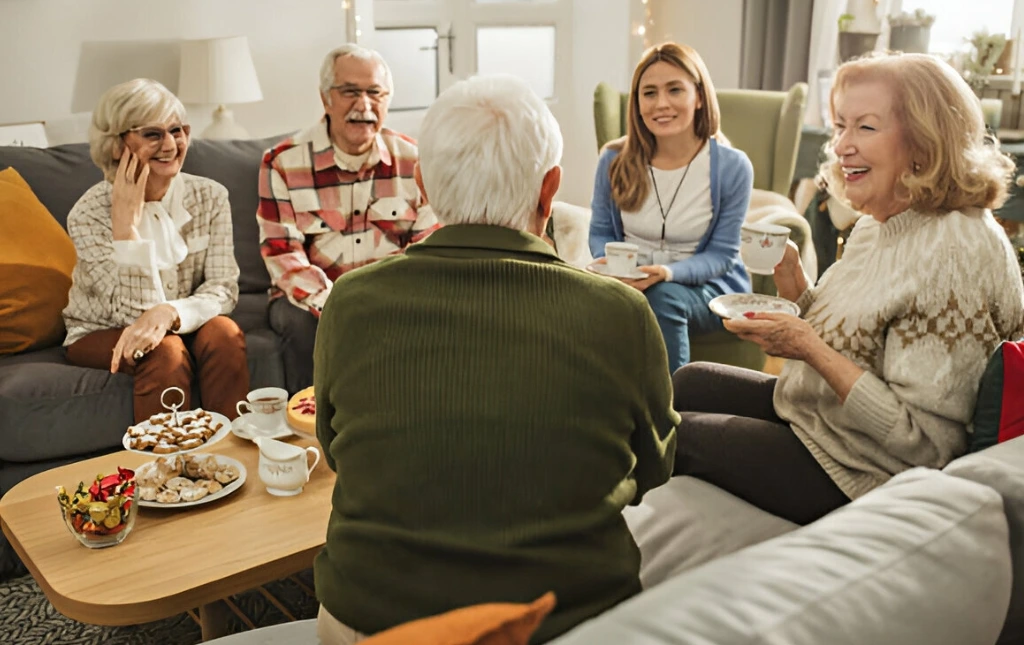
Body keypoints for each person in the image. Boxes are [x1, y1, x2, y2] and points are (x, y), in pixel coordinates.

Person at [313, 74, 679, 644]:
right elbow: (655, 470)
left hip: (375, 623)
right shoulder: (622, 313)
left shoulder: (350, 301)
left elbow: (336, 448)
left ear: (423, 185)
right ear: (549, 188)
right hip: (567, 622)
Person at [674, 52, 1024, 526]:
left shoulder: (954, 251)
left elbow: (924, 443)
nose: (841, 145)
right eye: (840, 126)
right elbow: (859, 338)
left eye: (865, 127)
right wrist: (797, 290)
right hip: (824, 420)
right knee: (689, 382)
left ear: (924, 140)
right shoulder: (879, 224)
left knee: (681, 437)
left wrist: (808, 347)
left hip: (870, 470)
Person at [63, 78, 249, 423]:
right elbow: (133, 319)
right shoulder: (88, 215)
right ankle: (163, 469)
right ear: (118, 144)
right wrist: (126, 229)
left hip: (181, 321)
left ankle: (233, 458)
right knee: (164, 351)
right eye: (153, 134)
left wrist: (169, 313)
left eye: (176, 130)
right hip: (101, 330)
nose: (170, 144)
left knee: (224, 332)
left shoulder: (210, 196)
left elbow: (223, 288)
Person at [257, 44, 439, 393]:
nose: (364, 105)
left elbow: (426, 247)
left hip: (391, 296)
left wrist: (380, 301)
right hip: (310, 301)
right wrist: (337, 305)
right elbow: (283, 254)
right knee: (299, 323)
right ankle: (310, 428)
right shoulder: (281, 161)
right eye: (350, 92)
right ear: (326, 99)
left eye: (375, 93)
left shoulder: (416, 160)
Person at [589, 42, 754, 374]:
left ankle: (673, 416)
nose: (661, 104)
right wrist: (617, 268)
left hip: (709, 288)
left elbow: (722, 256)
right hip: (632, 281)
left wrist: (667, 273)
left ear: (700, 96)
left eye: (674, 90)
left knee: (662, 297)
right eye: (649, 93)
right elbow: (601, 232)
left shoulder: (732, 167)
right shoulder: (613, 160)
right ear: (636, 104)